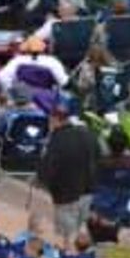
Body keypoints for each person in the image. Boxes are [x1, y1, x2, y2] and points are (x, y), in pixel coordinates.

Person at [36, 99, 98, 243]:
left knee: (68, 237)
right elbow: (99, 156)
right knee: (82, 228)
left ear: (55, 119)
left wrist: (42, 180)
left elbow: (47, 172)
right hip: (87, 191)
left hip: (66, 196)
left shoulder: (56, 141)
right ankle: (84, 255)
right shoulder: (87, 133)